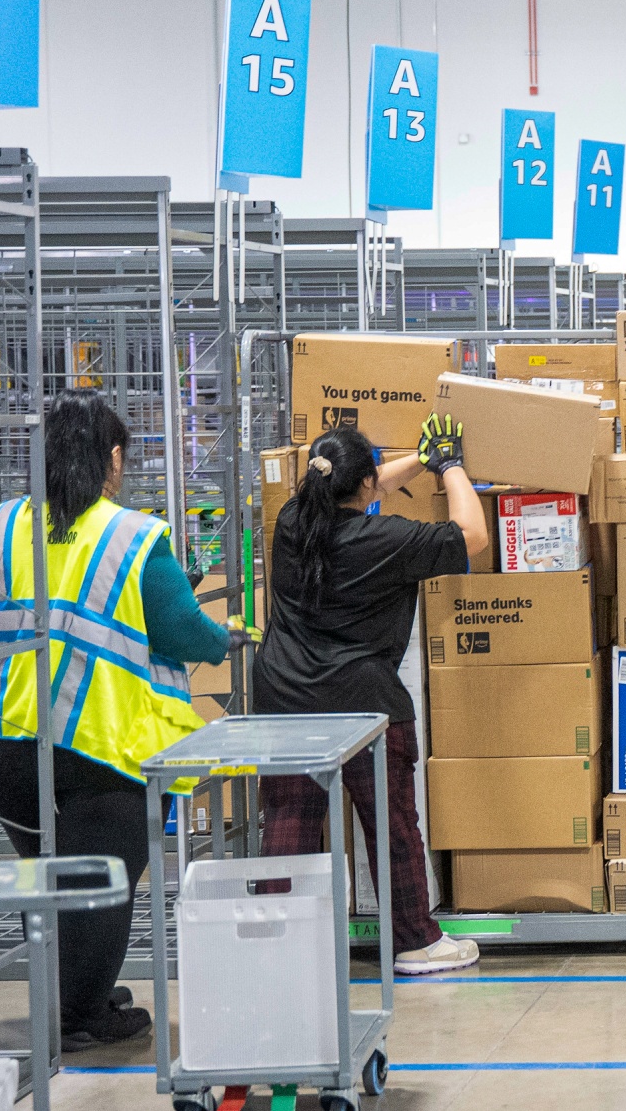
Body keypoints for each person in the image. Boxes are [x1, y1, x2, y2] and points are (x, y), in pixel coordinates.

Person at [0, 389, 243, 1050]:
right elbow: (181, 628)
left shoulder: (3, 523)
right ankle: (82, 1016)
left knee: (48, 874)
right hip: (99, 745)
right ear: (111, 457)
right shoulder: (131, 535)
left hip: (11, 749)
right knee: (106, 879)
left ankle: (80, 991)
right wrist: (226, 637)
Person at [254, 415, 489, 976]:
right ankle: (414, 941)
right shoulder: (382, 540)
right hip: (361, 701)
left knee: (289, 818)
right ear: (361, 487)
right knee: (391, 821)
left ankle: (271, 942)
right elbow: (471, 535)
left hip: (285, 695)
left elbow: (369, 482)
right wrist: (453, 467)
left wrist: (424, 456)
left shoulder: (292, 521)